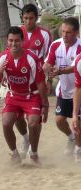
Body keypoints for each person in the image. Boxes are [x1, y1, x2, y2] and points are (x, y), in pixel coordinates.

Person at [0, 26, 49, 164]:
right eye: (11, 40)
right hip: (13, 96)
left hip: (31, 96)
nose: (13, 44)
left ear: (22, 41)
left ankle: (34, 153)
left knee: (34, 123)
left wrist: (45, 105)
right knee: (6, 122)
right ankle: (14, 154)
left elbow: (41, 83)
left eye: (17, 41)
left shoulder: (31, 58)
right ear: (7, 41)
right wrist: (1, 72)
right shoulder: (2, 58)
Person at [15, 3, 52, 158]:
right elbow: (10, 54)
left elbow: (50, 58)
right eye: (25, 18)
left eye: (31, 18)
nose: (28, 21)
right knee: (16, 116)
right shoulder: (17, 33)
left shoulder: (45, 35)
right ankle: (25, 139)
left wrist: (48, 80)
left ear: (36, 18)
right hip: (18, 81)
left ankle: (33, 147)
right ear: (22, 18)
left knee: (35, 118)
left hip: (37, 82)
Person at [43, 17, 81, 156]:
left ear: (76, 32)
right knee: (59, 121)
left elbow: (76, 67)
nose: (64, 35)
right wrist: (43, 69)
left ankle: (78, 150)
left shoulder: (80, 47)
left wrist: (60, 71)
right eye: (63, 31)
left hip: (79, 90)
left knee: (78, 123)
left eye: (68, 32)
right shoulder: (55, 45)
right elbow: (48, 63)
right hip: (64, 90)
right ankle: (71, 139)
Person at [71, 52, 81, 162]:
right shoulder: (79, 62)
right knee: (78, 119)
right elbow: (78, 89)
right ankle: (78, 149)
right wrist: (74, 114)